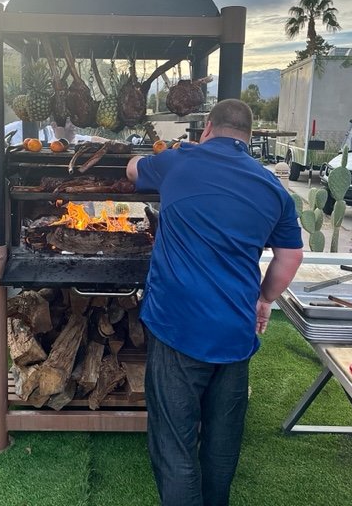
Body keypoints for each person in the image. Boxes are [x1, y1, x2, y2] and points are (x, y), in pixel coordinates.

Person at [126, 98, 303, 506]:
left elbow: (133, 169)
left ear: (206, 128)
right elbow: (290, 256)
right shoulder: (272, 187)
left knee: (175, 443)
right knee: (221, 444)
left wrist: (146, 156)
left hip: (177, 327)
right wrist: (264, 300)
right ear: (250, 136)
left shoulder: (177, 162)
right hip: (235, 332)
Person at [0, 119, 107, 218]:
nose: (72, 126)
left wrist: (121, 144)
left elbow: (95, 139)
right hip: (27, 203)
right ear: (54, 125)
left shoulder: (78, 140)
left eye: (73, 122)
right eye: (68, 123)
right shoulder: (38, 138)